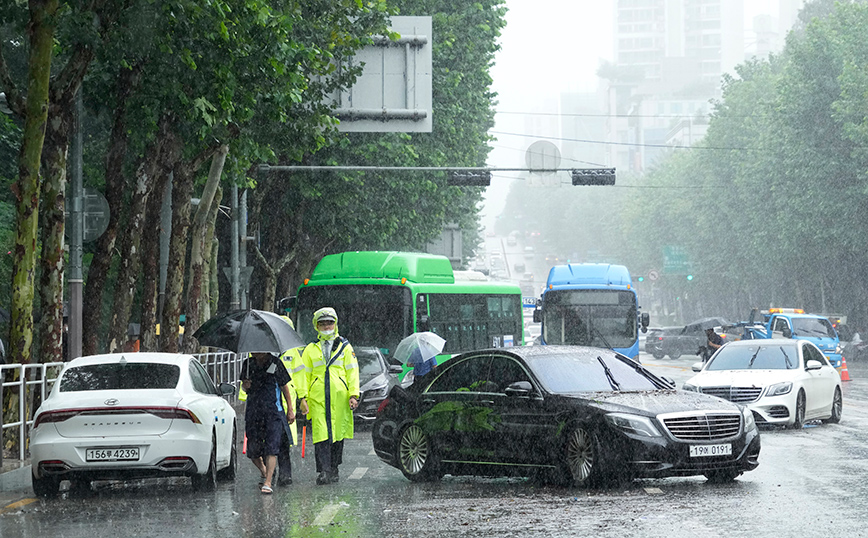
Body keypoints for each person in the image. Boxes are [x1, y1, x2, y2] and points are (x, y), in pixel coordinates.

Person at [297, 307, 359, 485]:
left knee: (337, 435)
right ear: (316, 326)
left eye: (329, 323)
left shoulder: (345, 347)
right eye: (322, 324)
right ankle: (324, 470)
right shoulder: (310, 349)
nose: (326, 327)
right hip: (317, 399)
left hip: (339, 399)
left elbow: (352, 371)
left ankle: (334, 467)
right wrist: (303, 398)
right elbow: (303, 374)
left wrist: (353, 395)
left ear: (335, 324)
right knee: (321, 434)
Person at [240, 351, 295, 494]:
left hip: (273, 412)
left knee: (272, 448)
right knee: (253, 451)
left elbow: (284, 387)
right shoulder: (248, 364)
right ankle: (264, 471)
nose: (254, 352)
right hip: (253, 412)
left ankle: (268, 481)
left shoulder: (276, 363)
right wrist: (245, 385)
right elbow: (245, 388)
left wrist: (290, 409)